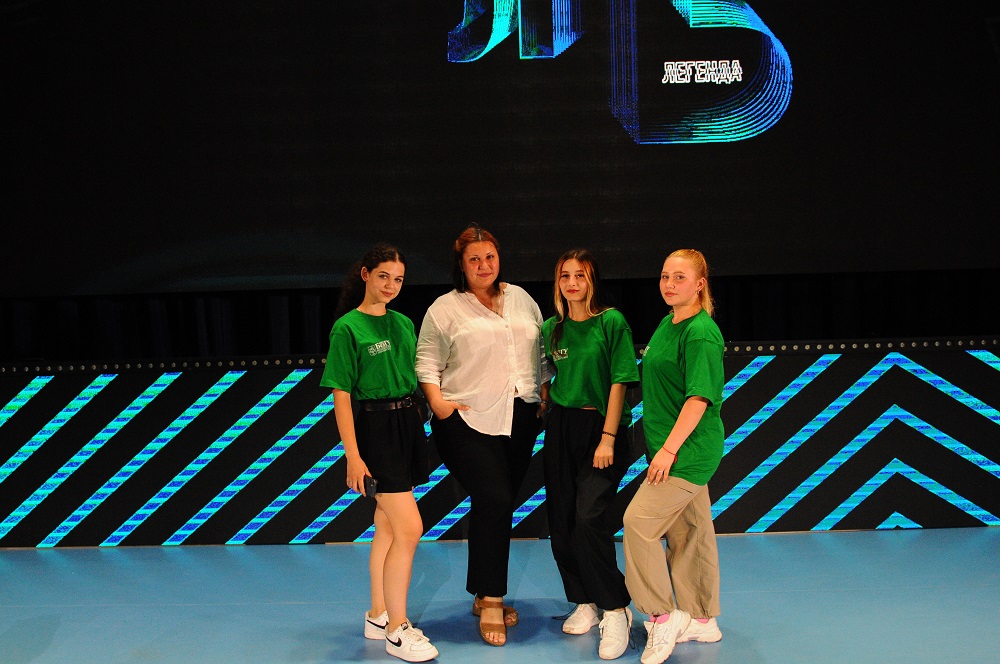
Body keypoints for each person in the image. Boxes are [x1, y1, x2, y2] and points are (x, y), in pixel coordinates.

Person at [415, 224, 552, 647]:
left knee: (497, 504)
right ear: (461, 265)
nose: (483, 265)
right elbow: (426, 361)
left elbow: (541, 351)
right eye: (474, 259)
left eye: (489, 257)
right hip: (466, 419)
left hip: (521, 415)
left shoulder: (521, 298)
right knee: (493, 497)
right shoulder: (445, 308)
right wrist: (438, 405)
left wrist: (543, 395)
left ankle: (481, 591)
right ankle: (492, 598)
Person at [319, 243, 439, 663]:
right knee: (410, 529)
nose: (391, 285)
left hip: (408, 425)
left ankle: (377, 614)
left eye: (399, 279)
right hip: (376, 430)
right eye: (384, 276)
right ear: (366, 274)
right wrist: (353, 456)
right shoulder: (347, 328)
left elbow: (418, 374)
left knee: (386, 526)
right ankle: (397, 630)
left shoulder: (403, 323)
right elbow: (341, 394)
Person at [622, 249, 725, 664]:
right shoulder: (669, 322)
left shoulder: (700, 333)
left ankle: (662, 617)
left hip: (687, 453)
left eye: (679, 277)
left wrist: (668, 450)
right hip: (671, 449)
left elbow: (699, 398)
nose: (669, 284)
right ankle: (702, 619)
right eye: (665, 276)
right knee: (689, 533)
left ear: (700, 284)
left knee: (638, 523)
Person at [541, 249, 640, 660]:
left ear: (592, 280)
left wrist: (608, 437)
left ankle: (615, 609)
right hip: (561, 428)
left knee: (588, 518)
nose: (572, 283)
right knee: (562, 520)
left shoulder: (611, 322)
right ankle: (583, 600)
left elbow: (620, 381)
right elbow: (547, 376)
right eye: (565, 276)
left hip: (601, 427)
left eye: (580, 275)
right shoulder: (551, 328)